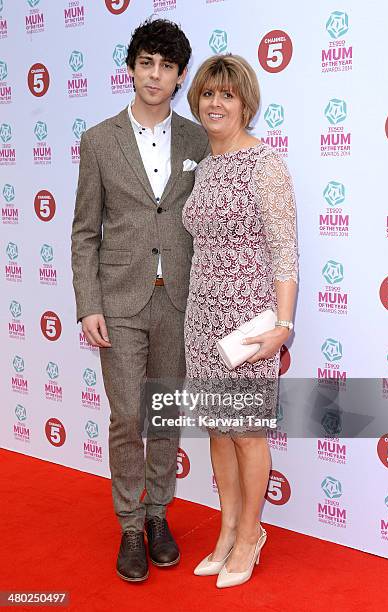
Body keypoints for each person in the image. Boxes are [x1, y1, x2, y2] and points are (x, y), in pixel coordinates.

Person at [71, 18, 209, 583]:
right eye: (146, 62)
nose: (155, 75)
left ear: (179, 77)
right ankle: (129, 524)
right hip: (120, 299)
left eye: (167, 67)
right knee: (128, 416)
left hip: (179, 298)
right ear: (131, 67)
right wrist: (87, 303)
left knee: (166, 415)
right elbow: (84, 231)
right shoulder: (99, 140)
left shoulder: (201, 139)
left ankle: (158, 514)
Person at [184, 54, 298, 588]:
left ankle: (251, 535)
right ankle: (226, 529)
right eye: (208, 94)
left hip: (248, 322)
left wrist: (284, 325)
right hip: (201, 317)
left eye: (226, 95)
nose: (215, 103)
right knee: (217, 428)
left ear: (246, 103)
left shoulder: (265, 164)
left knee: (248, 433)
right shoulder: (203, 166)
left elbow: (285, 253)